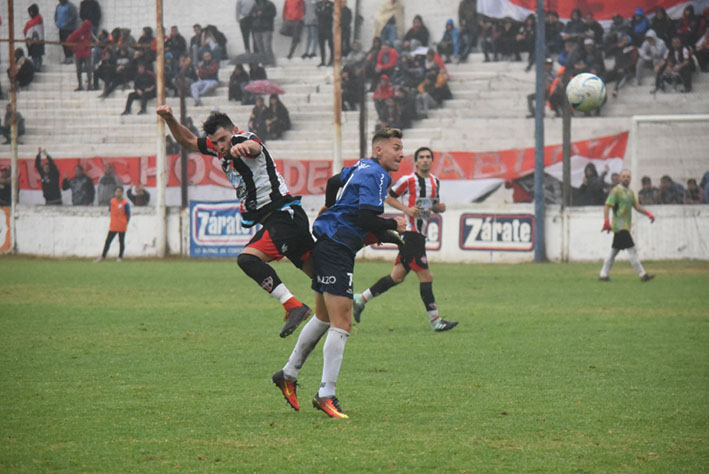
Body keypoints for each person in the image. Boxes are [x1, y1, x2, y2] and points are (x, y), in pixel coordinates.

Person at [271, 127, 407, 418]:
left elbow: (334, 182)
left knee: (323, 317)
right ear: (379, 149)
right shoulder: (378, 174)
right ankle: (326, 394)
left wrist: (331, 209)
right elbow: (366, 217)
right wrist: (394, 225)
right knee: (342, 322)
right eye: (396, 147)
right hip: (337, 248)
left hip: (330, 243)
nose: (401, 153)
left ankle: (289, 374)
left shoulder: (362, 165)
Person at [156, 105, 315, 338]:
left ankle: (293, 305)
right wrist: (169, 118)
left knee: (248, 259)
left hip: (284, 216)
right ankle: (345, 308)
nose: (221, 146)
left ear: (233, 131)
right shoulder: (220, 149)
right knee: (323, 277)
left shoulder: (243, 138)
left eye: (224, 139)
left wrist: (241, 147)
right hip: (282, 219)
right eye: (217, 142)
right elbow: (188, 141)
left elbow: (254, 146)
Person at [353, 146, 457, 332]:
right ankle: (436, 321)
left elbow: (431, 205)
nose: (425, 160)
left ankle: (360, 299)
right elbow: (388, 197)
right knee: (426, 276)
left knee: (397, 277)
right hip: (410, 233)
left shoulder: (435, 182)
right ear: (416, 161)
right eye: (421, 157)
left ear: (432, 161)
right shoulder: (407, 180)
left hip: (420, 234)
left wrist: (438, 208)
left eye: (428, 157)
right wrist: (406, 210)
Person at [599, 169, 655, 282]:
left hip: (625, 226)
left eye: (628, 177)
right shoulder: (616, 191)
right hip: (619, 227)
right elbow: (607, 206)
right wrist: (606, 221)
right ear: (620, 178)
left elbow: (637, 206)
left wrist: (648, 213)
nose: (626, 178)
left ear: (630, 179)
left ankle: (603, 275)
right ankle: (642, 274)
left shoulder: (630, 192)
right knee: (632, 250)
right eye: (623, 176)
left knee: (613, 251)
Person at [96, 186, 130, 262]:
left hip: (122, 225)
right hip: (113, 225)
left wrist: (125, 223)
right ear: (115, 193)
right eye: (117, 191)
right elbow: (110, 210)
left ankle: (120, 257)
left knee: (121, 241)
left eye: (120, 192)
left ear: (122, 193)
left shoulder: (125, 203)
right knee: (108, 241)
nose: (118, 193)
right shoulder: (112, 201)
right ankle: (103, 256)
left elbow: (128, 214)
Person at [67, 19, 93, 91]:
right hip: (79, 54)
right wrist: (74, 49)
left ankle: (89, 85)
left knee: (88, 69)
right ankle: (80, 85)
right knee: (79, 70)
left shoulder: (89, 33)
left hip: (87, 54)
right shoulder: (78, 32)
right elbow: (69, 41)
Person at [251, 0, 277, 66]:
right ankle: (264, 63)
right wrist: (255, 14)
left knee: (267, 46)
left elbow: (273, 14)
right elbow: (251, 14)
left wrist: (262, 14)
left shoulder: (269, 4)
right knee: (260, 47)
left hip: (266, 28)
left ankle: (271, 63)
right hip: (256, 29)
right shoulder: (255, 5)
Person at [55, 0, 78, 64]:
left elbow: (74, 16)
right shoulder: (58, 6)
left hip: (69, 29)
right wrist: (56, 22)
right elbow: (56, 15)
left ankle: (70, 57)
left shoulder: (70, 6)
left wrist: (67, 23)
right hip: (61, 28)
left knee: (69, 43)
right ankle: (66, 57)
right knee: (63, 43)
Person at [24, 4, 45, 72]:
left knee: (36, 57)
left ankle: (37, 68)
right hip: (38, 42)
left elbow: (27, 29)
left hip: (35, 43)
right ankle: (37, 67)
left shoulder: (37, 19)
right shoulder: (39, 18)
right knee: (36, 56)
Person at [315, 0, 334, 66]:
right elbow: (317, 13)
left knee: (330, 44)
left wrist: (321, 12)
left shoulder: (331, 4)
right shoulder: (318, 4)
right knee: (321, 45)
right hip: (320, 28)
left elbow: (328, 14)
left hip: (328, 27)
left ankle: (331, 60)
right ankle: (323, 61)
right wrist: (323, 12)